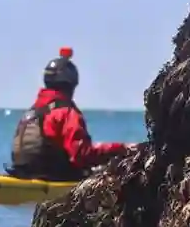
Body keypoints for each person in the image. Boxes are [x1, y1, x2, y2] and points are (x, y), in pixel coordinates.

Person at [8, 47, 133, 181]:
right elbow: (82, 155)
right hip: (52, 177)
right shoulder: (66, 113)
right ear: (71, 84)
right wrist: (121, 149)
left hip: (23, 173)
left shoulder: (32, 112)